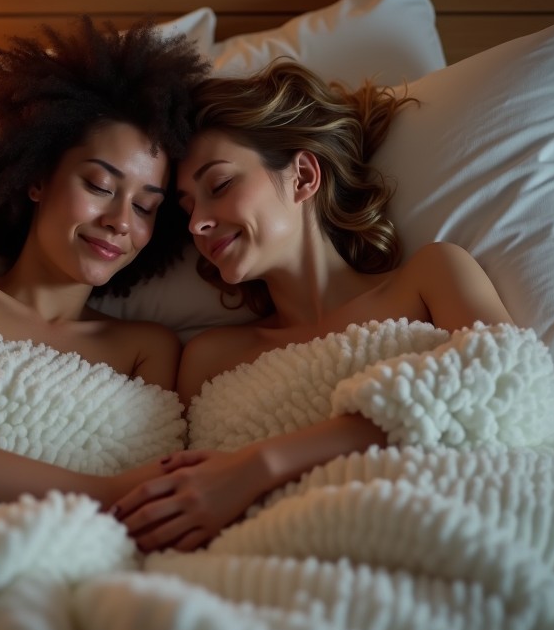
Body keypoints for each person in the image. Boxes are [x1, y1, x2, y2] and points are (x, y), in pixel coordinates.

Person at [111, 61, 514, 552]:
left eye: (218, 187)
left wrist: (263, 464)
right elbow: (191, 503)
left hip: (454, 531)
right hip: (275, 566)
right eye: (188, 206)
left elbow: (510, 380)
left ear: (302, 175)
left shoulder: (431, 278)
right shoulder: (210, 358)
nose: (197, 224)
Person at [0, 16, 209, 508]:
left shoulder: (146, 350)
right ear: (36, 179)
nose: (121, 220)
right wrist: (98, 492)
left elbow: (145, 498)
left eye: (145, 206)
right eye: (99, 186)